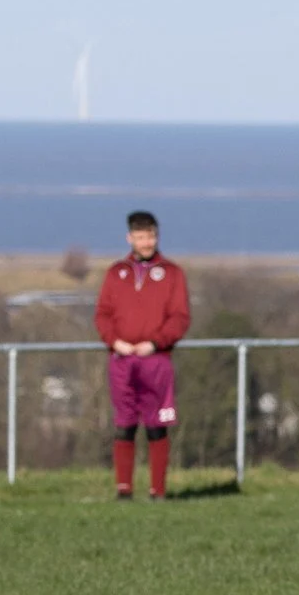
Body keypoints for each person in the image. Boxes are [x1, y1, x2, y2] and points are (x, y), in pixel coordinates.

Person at [93, 210, 191, 500]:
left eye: (150, 236)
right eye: (140, 237)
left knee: (156, 426)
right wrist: (115, 342)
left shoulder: (172, 273)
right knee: (124, 424)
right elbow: (102, 315)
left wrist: (155, 342)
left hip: (156, 360)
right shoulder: (116, 273)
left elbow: (180, 317)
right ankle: (124, 489)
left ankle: (157, 491)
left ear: (157, 236)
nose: (146, 242)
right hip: (122, 359)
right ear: (130, 238)